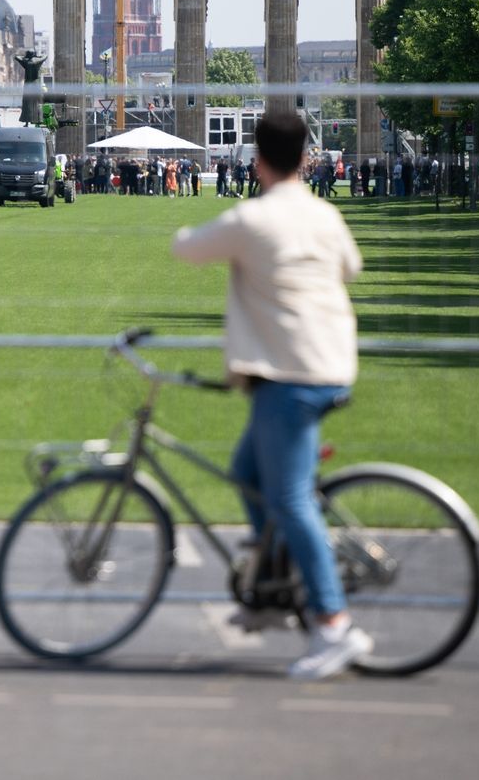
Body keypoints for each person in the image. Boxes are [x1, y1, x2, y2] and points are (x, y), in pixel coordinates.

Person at [169, 111, 370, 682]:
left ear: (257, 159)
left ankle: (332, 623)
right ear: (307, 158)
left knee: (288, 497)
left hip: (291, 372)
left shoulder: (253, 219)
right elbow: (351, 265)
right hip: (329, 361)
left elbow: (186, 249)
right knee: (245, 470)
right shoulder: (324, 214)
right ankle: (269, 583)